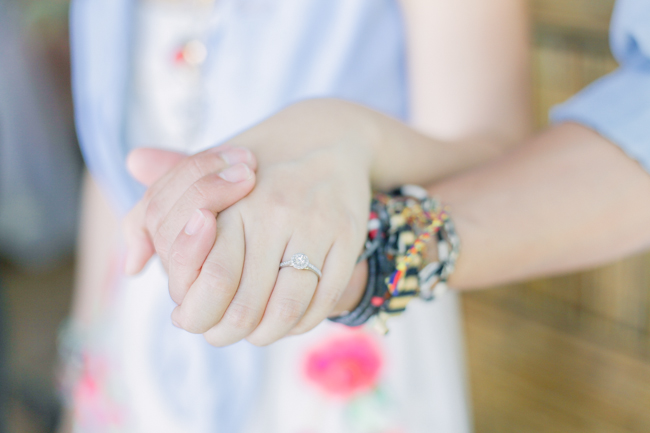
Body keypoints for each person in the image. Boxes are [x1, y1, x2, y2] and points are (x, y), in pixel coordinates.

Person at [120, 0, 650, 430]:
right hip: (136, 343)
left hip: (342, 337)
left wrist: (353, 138)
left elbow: (491, 148)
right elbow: (117, 174)